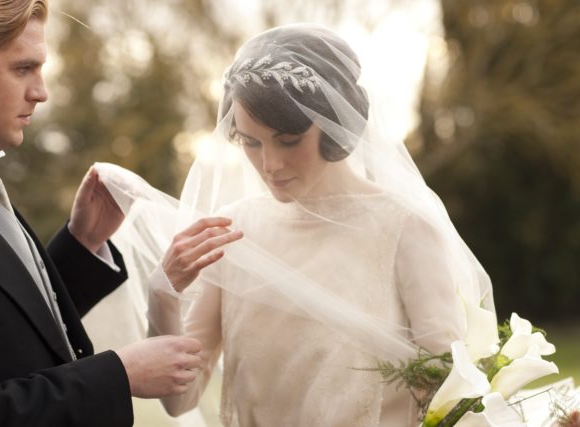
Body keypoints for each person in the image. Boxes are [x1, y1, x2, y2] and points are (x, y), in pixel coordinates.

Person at [94, 23, 496, 426]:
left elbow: (448, 394)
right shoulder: (231, 231)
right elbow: (180, 401)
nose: (270, 165)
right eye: (250, 142)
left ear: (340, 121)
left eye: (288, 140)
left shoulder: (405, 227)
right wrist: (162, 292)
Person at [0, 1, 241, 425]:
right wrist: (120, 373)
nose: (41, 91)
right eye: (23, 69)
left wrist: (82, 244)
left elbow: (0, 328)